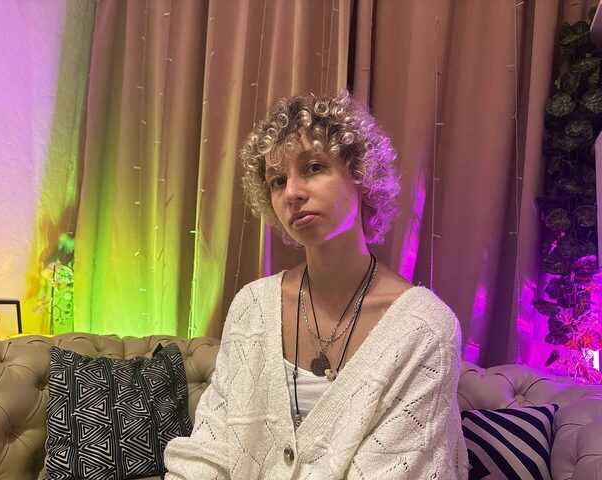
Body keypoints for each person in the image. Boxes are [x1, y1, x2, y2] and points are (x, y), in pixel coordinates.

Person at [164, 90, 468, 479]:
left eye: (313, 167)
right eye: (277, 181)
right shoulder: (252, 306)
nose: (292, 193)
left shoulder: (425, 329)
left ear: (361, 175)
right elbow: (210, 452)